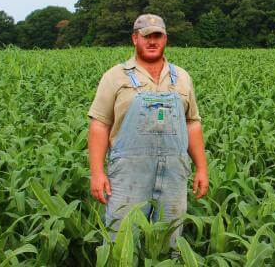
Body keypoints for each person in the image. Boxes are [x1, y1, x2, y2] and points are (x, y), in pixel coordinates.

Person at [87, 13, 209, 247]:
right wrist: (97, 172)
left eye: (157, 36)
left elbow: (192, 122)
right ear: (135, 39)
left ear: (165, 39)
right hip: (129, 173)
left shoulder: (182, 77)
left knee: (169, 242)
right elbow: (100, 125)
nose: (152, 41)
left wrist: (202, 168)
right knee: (122, 242)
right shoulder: (115, 77)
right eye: (146, 36)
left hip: (174, 172)